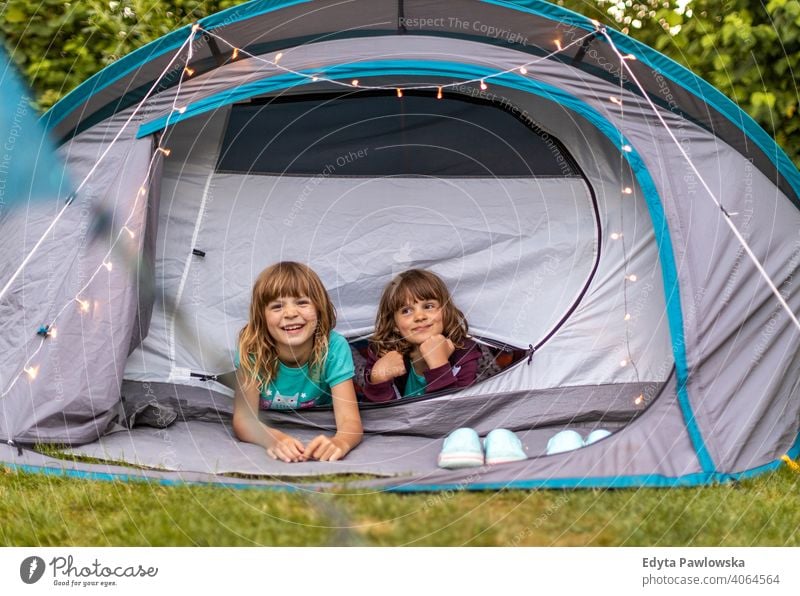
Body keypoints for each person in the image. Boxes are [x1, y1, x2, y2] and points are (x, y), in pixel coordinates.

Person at [233, 261, 362, 463]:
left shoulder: (335, 348)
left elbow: (350, 421)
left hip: (318, 421)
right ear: (261, 318)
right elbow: (244, 419)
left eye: (302, 302)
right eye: (277, 306)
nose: (291, 314)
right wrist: (275, 439)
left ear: (319, 309)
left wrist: (340, 442)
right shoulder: (252, 349)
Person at [363, 269, 480, 402]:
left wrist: (439, 365)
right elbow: (377, 419)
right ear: (394, 324)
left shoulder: (465, 353)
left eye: (428, 306)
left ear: (445, 312)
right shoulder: (381, 353)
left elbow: (455, 414)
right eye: (406, 311)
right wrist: (379, 380)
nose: (419, 316)